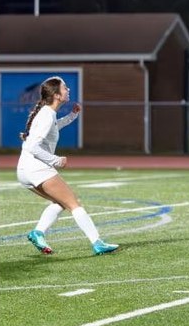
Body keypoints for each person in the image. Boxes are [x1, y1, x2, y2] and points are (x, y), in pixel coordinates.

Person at [18, 76, 118, 257]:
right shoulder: (47, 114)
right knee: (74, 204)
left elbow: (54, 127)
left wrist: (72, 116)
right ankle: (97, 243)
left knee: (60, 202)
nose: (68, 90)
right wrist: (55, 160)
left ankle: (38, 233)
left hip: (24, 170)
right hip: (36, 168)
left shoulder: (48, 114)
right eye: (65, 88)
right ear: (56, 95)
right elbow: (32, 146)